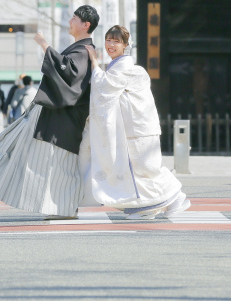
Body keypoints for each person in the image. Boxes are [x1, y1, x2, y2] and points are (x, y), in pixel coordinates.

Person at [0, 5, 99, 219]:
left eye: (74, 18)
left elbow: (69, 74)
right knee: (24, 147)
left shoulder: (83, 50)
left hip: (63, 117)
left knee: (53, 161)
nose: (70, 21)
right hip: (58, 115)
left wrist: (45, 45)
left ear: (85, 24)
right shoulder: (82, 49)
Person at [80, 25, 190, 219]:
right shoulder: (120, 68)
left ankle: (176, 197)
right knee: (138, 172)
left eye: (116, 41)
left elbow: (103, 86)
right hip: (136, 129)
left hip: (140, 130)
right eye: (108, 40)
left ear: (125, 45)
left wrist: (94, 62)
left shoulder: (126, 69)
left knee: (148, 169)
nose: (111, 44)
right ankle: (146, 207)